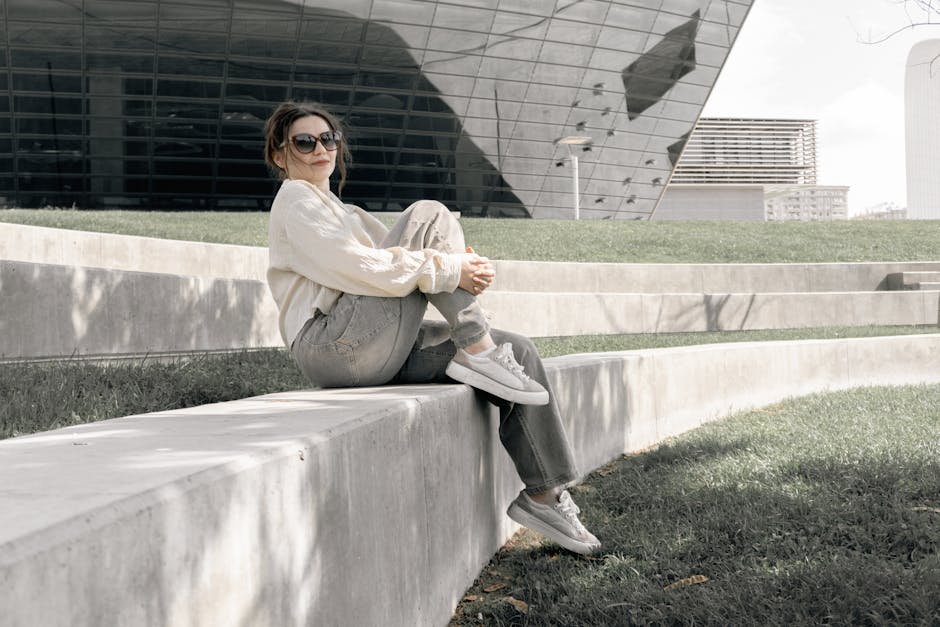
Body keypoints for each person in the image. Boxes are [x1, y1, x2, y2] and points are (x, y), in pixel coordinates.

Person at [263, 101, 600, 555]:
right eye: (304, 142)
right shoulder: (295, 201)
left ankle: (545, 495)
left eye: (328, 138)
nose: (320, 149)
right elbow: (366, 269)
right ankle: (478, 347)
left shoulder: (345, 213)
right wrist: (452, 269)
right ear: (280, 155)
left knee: (518, 351)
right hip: (331, 344)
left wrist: (458, 269)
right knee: (428, 215)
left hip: (369, 342)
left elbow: (404, 266)